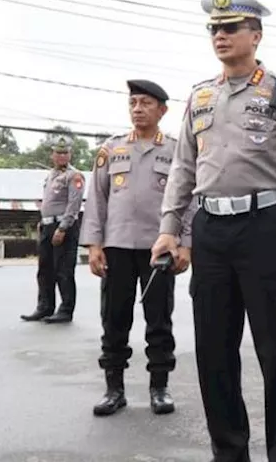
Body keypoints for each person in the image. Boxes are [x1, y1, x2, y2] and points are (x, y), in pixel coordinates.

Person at [153, 0, 276, 462]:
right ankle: (229, 453)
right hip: (210, 230)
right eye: (214, 29)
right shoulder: (200, 97)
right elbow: (184, 168)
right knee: (213, 352)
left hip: (265, 225)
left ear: (256, 35)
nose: (220, 36)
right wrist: (170, 227)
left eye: (230, 28)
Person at [82, 79, 195, 417]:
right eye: (133, 103)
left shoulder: (176, 150)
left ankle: (159, 387)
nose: (138, 109)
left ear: (162, 110)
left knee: (159, 319)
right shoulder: (111, 149)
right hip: (116, 246)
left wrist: (185, 243)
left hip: (159, 247)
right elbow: (97, 200)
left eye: (146, 103)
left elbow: (190, 200)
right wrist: (94, 245)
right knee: (114, 319)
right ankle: (113, 388)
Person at [21, 137, 85, 324]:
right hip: (48, 225)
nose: (62, 156)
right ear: (53, 155)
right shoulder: (51, 175)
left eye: (65, 153)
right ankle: (44, 307)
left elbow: (74, 205)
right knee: (45, 269)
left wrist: (63, 228)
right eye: (58, 152)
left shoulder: (74, 176)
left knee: (63, 271)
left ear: (70, 155)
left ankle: (65, 310)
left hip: (63, 227)